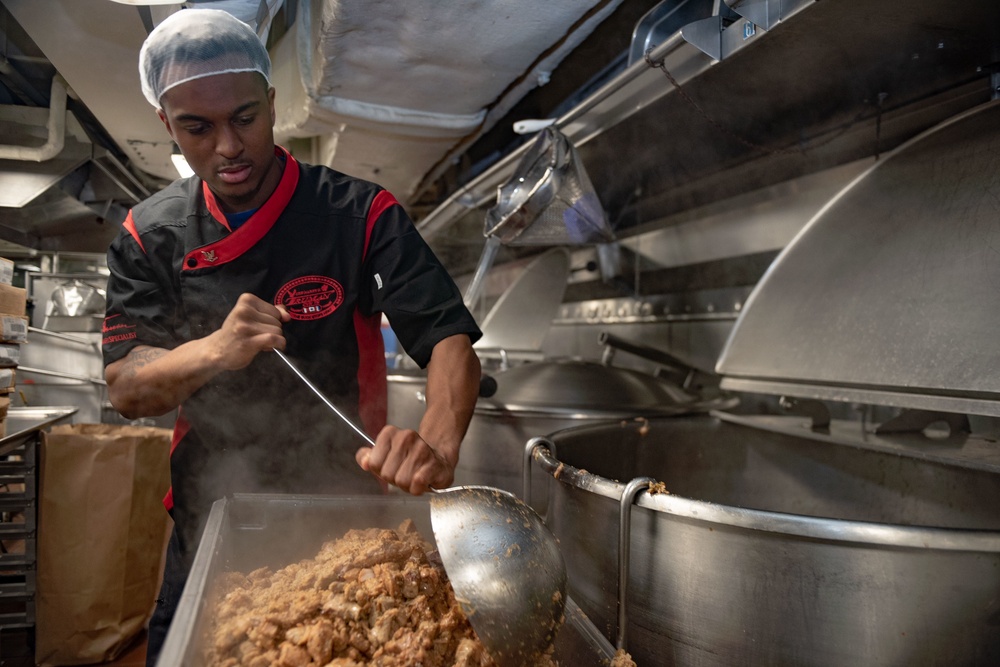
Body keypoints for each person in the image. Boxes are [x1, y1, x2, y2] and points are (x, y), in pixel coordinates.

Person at [100, 8, 482, 663]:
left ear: (273, 103)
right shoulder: (148, 236)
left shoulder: (361, 214)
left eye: (244, 117)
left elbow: (448, 338)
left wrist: (439, 443)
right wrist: (215, 350)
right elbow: (128, 388)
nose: (227, 146)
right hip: (208, 509)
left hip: (344, 506)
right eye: (197, 127)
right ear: (167, 124)